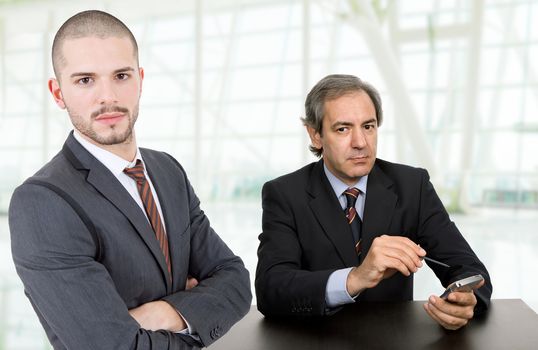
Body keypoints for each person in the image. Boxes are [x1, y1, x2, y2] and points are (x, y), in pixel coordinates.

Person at [9, 10, 251, 349]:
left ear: (139, 79)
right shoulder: (42, 202)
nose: (107, 96)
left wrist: (161, 314)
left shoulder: (168, 171)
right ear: (58, 93)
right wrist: (197, 310)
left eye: (121, 76)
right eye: (85, 80)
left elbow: (236, 280)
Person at [255, 74, 492, 330]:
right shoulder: (285, 194)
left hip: (393, 340)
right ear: (316, 136)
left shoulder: (413, 186)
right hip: (314, 340)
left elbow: (469, 269)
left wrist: (464, 301)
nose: (360, 143)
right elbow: (271, 289)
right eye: (343, 129)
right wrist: (354, 279)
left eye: (368, 126)